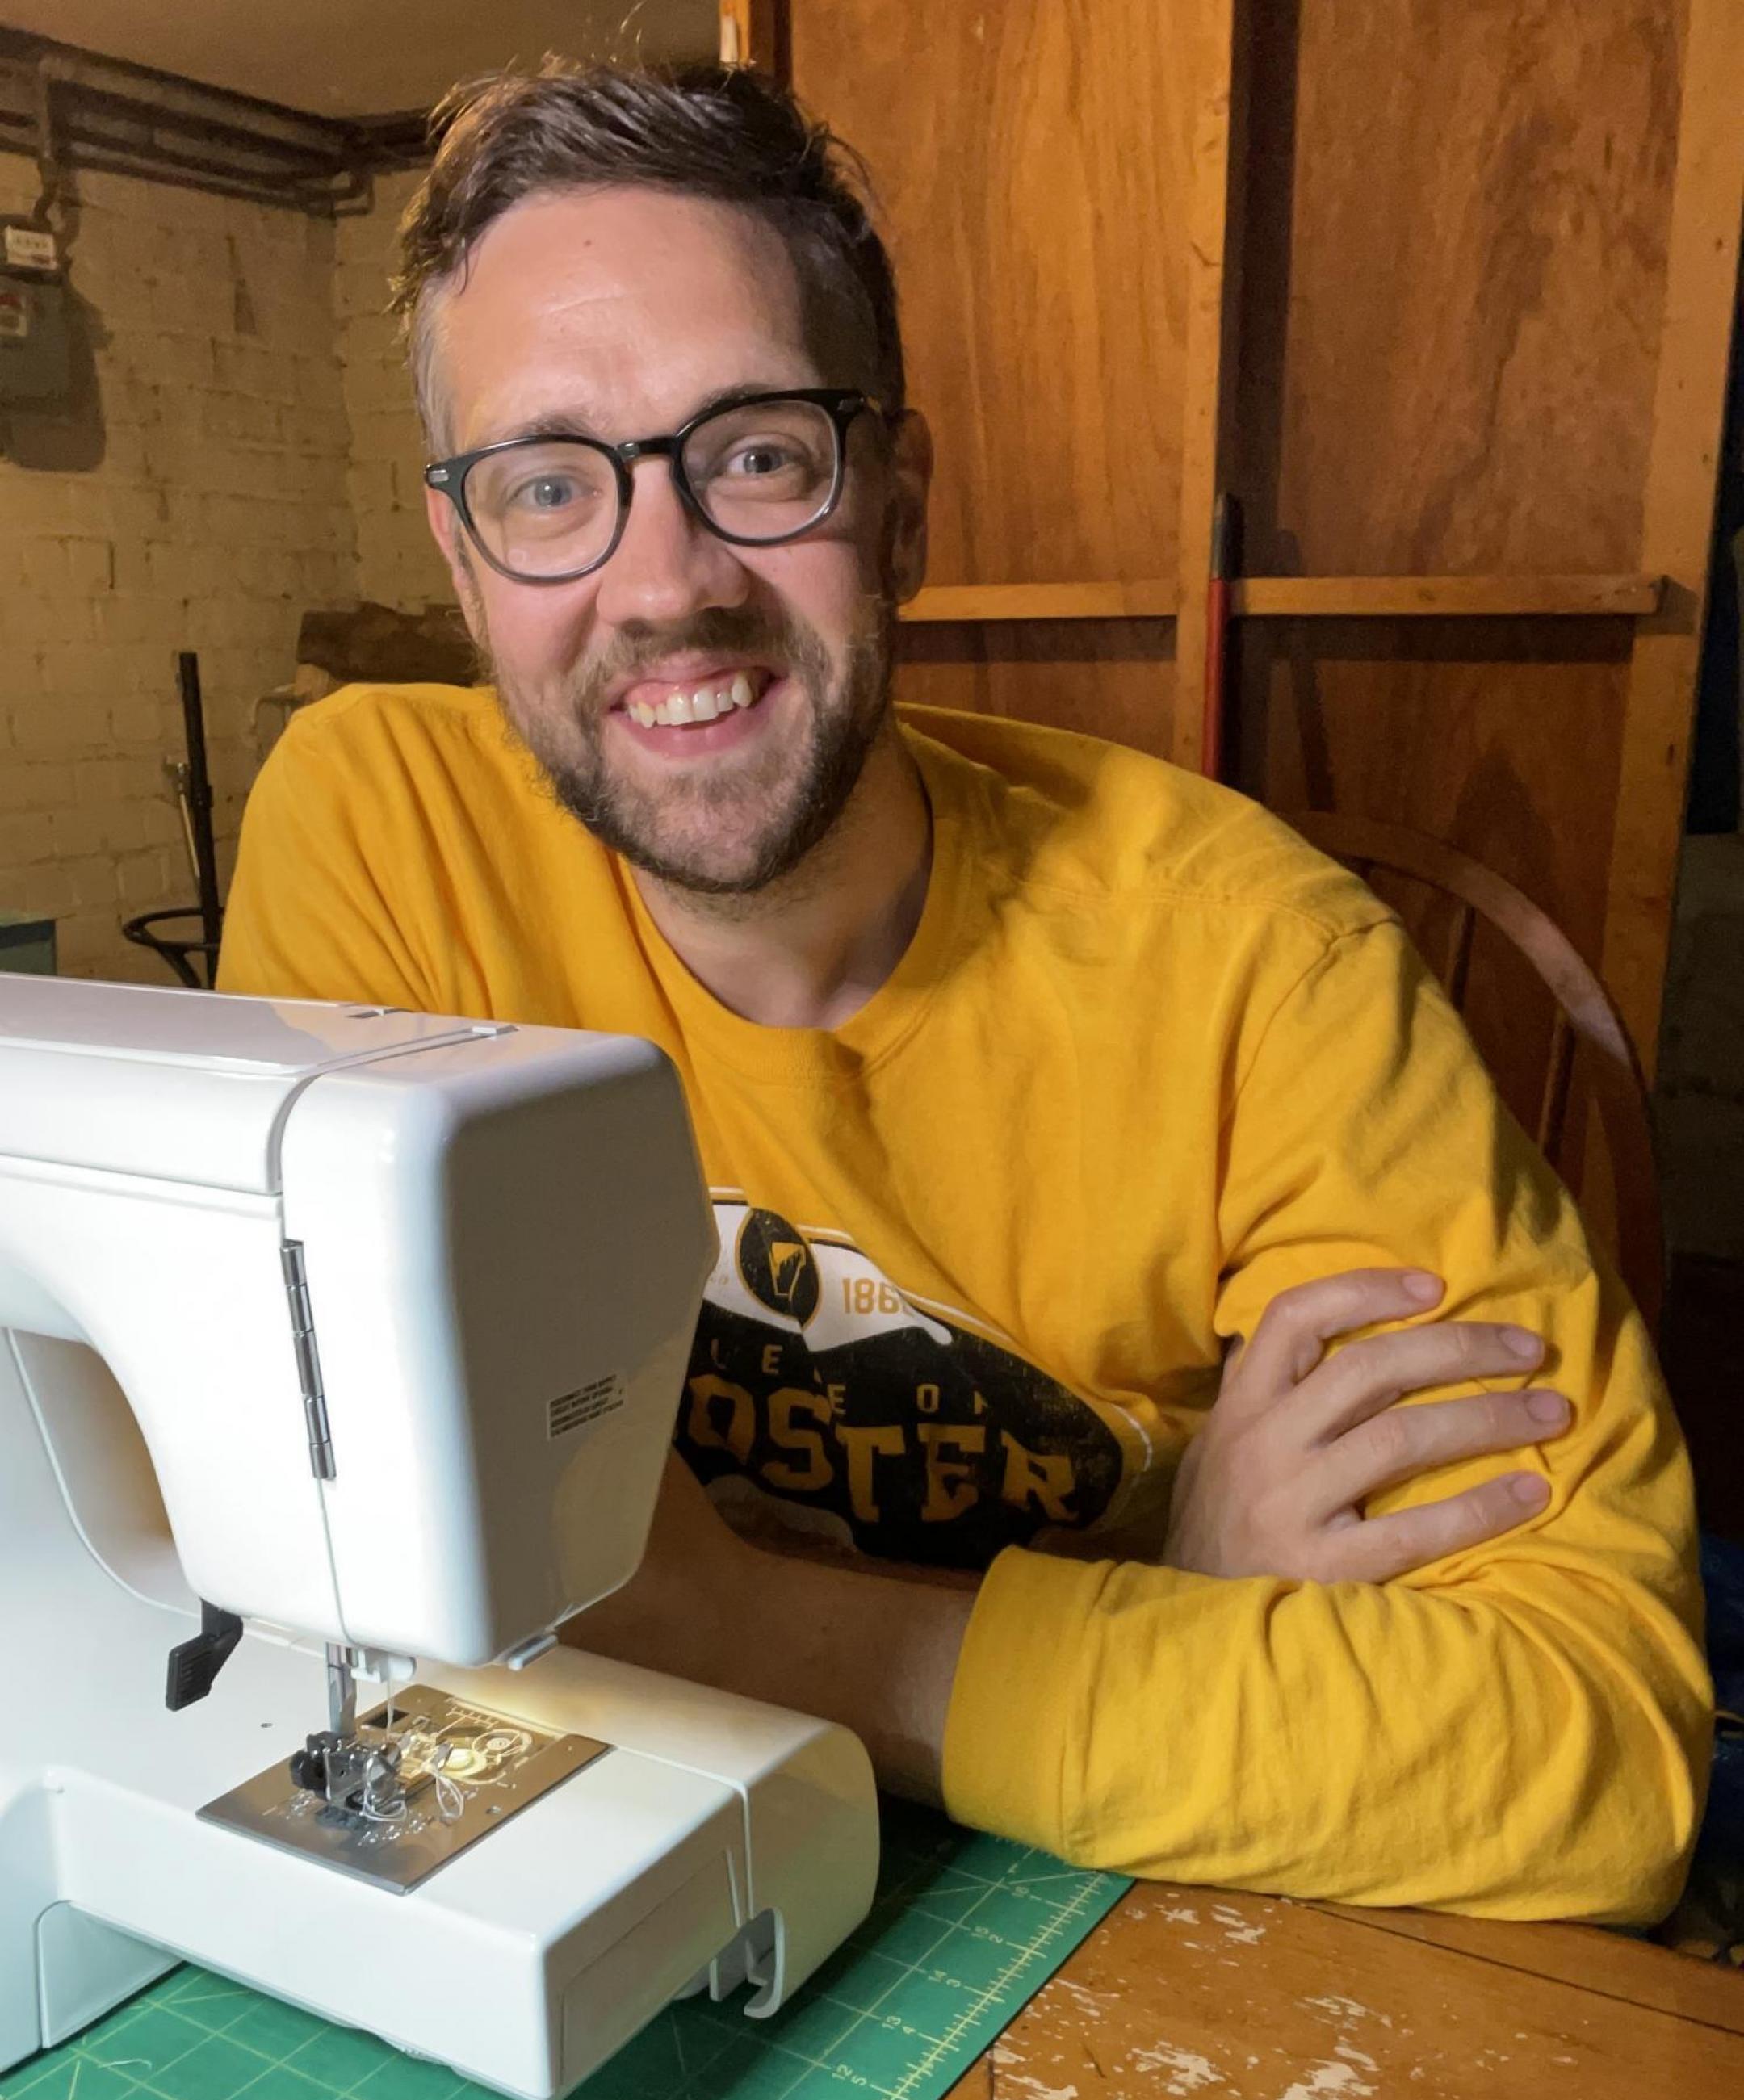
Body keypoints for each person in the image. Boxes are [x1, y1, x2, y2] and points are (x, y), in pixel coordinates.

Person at [218, 63, 1709, 1921]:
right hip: (701, 1873)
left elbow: (1603, 1753)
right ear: (462, 565)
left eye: (756, 454)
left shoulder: (1262, 960)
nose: (664, 583)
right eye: (547, 486)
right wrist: (1162, 1603)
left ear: (898, 506)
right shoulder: (380, 830)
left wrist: (723, 1613)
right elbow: (349, 1560)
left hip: (1123, 1922)